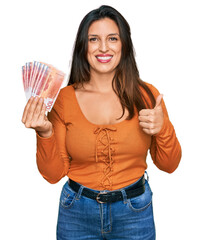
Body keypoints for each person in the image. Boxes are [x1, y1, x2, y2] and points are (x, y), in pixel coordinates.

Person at [22, 5, 181, 240]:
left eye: (112, 38)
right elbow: (54, 175)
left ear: (124, 45)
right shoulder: (64, 99)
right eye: (94, 39)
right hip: (76, 212)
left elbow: (169, 165)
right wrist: (44, 132)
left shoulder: (147, 95)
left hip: (135, 213)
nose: (103, 47)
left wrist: (163, 128)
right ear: (82, 47)